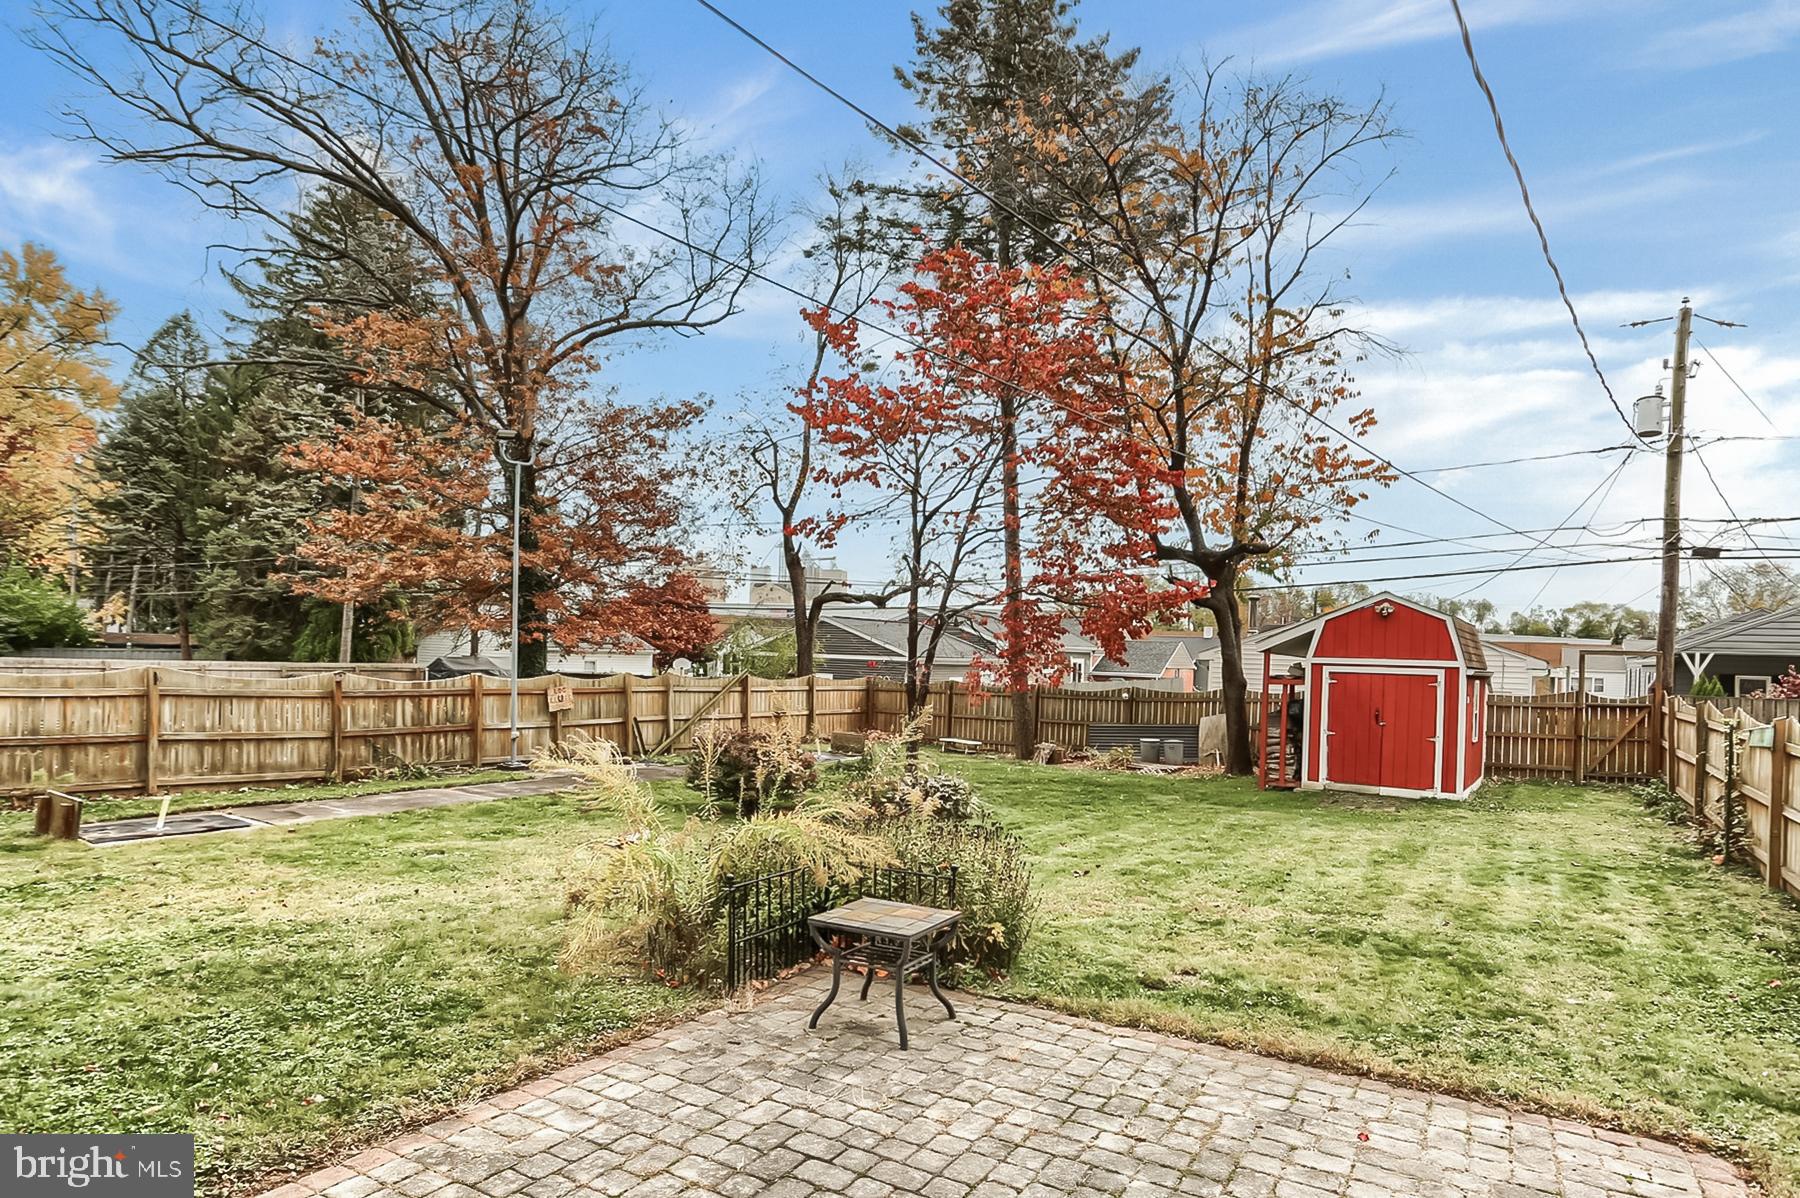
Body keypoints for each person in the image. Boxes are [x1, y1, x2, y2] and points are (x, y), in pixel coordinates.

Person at [1283, 663, 1306, 781]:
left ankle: (1298, 774)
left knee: (1300, 754)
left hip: (1300, 733)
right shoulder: (1298, 709)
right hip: (1299, 733)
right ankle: (1296, 774)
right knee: (1298, 754)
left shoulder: (1299, 709)